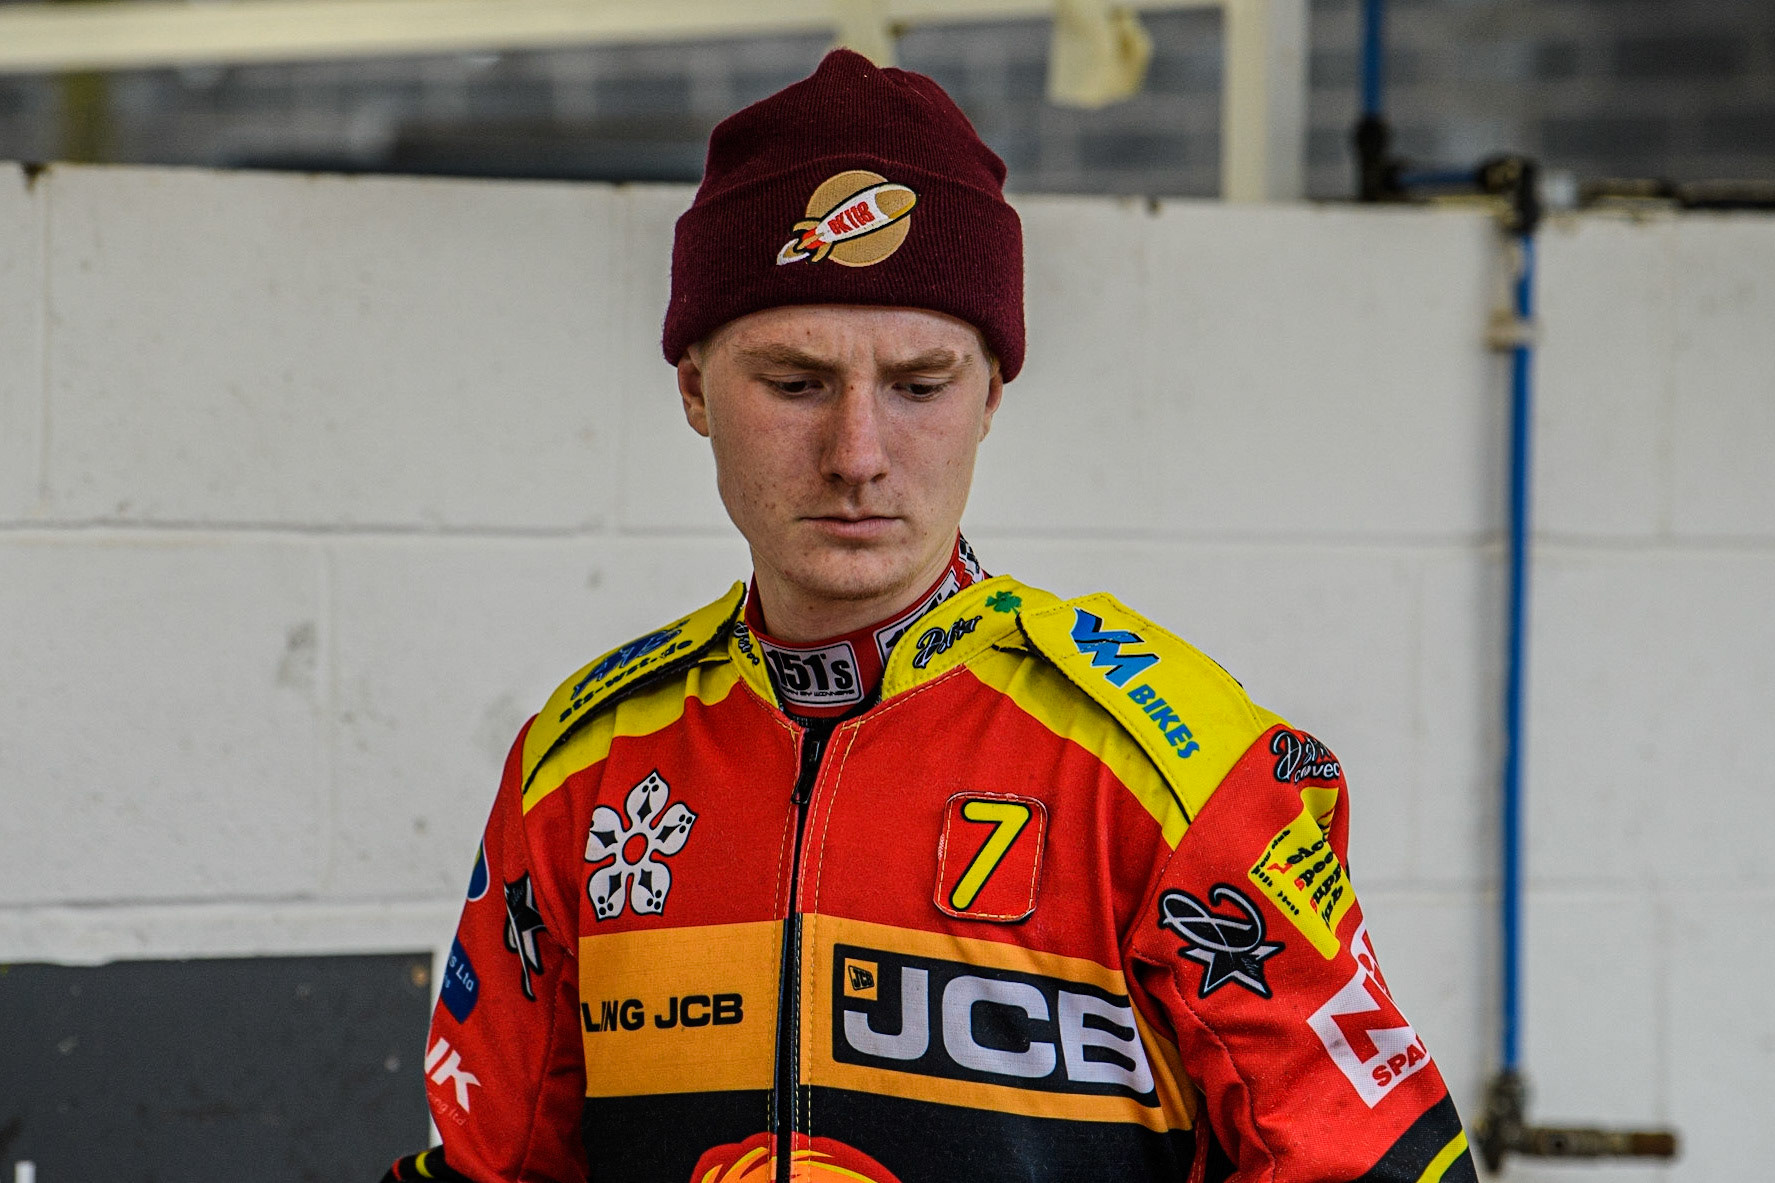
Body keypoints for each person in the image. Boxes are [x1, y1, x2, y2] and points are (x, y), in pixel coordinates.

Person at [382, 48, 1476, 1183]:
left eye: (918, 384)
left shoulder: (1171, 766)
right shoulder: (583, 767)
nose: (857, 454)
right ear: (694, 388)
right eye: (795, 382)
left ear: (992, 392)